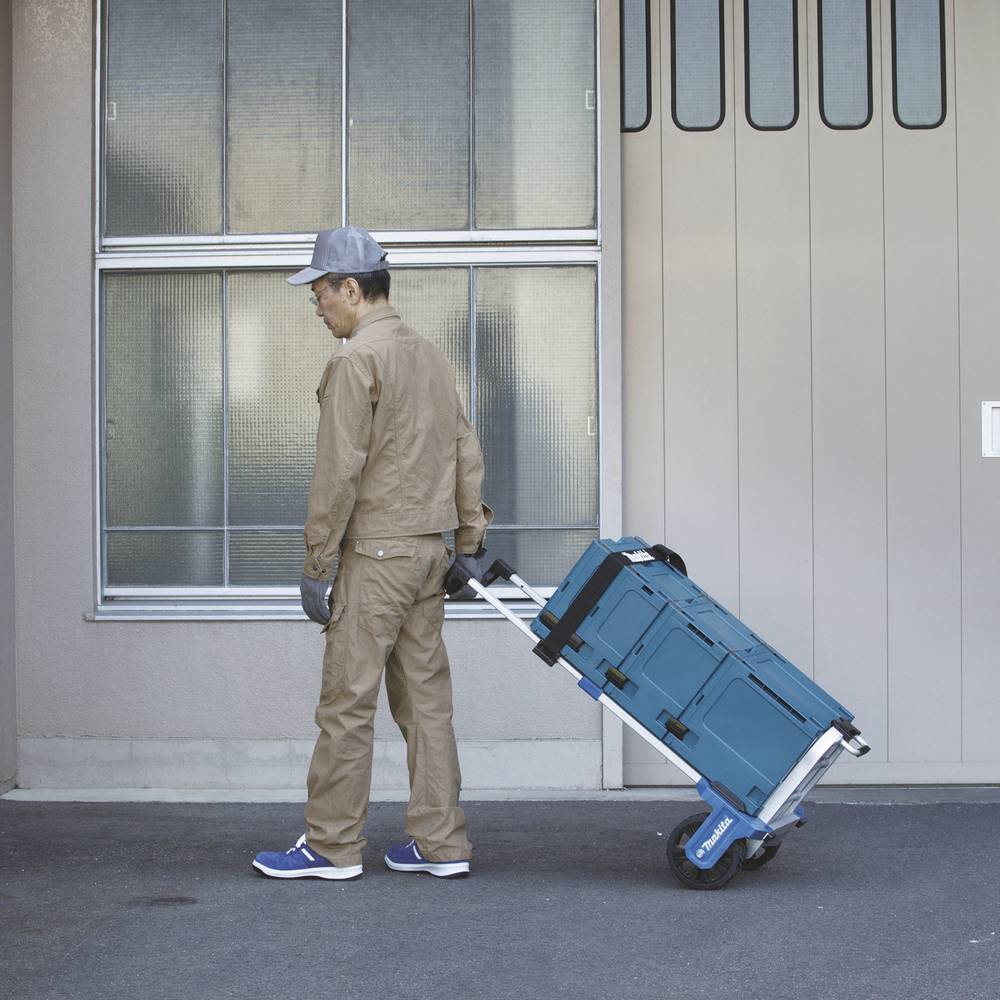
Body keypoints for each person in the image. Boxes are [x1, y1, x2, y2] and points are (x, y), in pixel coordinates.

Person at [253, 226, 492, 881]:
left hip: (376, 561)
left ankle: (331, 847)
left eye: (320, 293)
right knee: (427, 707)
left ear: (351, 288)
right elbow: (465, 451)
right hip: (428, 558)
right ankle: (442, 845)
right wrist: (468, 542)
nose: (317, 306)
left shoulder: (357, 361)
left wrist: (315, 566)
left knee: (346, 705)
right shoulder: (432, 357)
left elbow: (337, 474)